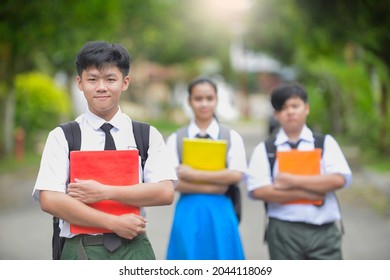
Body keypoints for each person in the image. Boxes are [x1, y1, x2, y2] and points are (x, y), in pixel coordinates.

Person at [32, 41, 176, 260]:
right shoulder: (63, 136)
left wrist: (105, 192)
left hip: (134, 248)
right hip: (81, 250)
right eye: (92, 79)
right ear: (80, 83)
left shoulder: (146, 135)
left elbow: (165, 192)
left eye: (110, 79)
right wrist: (114, 223)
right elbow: (50, 199)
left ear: (125, 82)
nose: (101, 87)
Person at [247, 83, 352, 260]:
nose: (290, 112)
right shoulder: (265, 149)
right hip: (283, 231)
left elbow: (339, 179)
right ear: (276, 114)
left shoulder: (325, 143)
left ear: (306, 108)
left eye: (295, 106)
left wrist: (291, 181)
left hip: (323, 230)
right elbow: (258, 190)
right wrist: (314, 191)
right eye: (283, 108)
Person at [165, 77, 247, 260]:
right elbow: (171, 182)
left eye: (209, 98)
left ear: (217, 100)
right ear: (189, 101)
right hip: (188, 212)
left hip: (221, 213)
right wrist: (217, 185)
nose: (204, 104)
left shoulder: (231, 136)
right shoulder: (176, 138)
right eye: (198, 98)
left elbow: (236, 175)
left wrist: (191, 174)